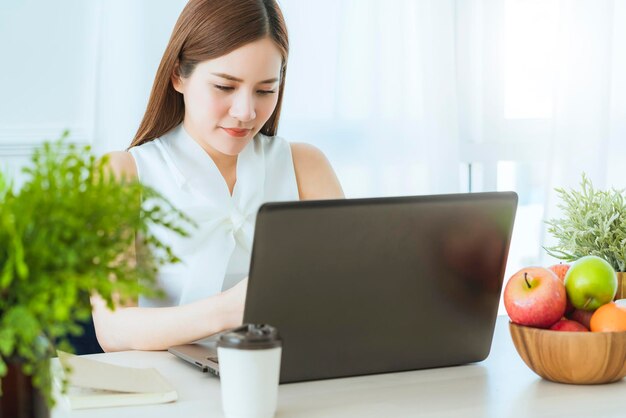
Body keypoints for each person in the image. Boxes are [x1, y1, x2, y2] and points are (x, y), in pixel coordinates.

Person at [91, 0, 344, 352]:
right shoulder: (123, 173)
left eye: (265, 90)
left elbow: (349, 295)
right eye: (225, 87)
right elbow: (113, 329)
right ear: (178, 75)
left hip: (288, 377)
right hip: (171, 390)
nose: (245, 112)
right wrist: (230, 309)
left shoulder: (305, 165)